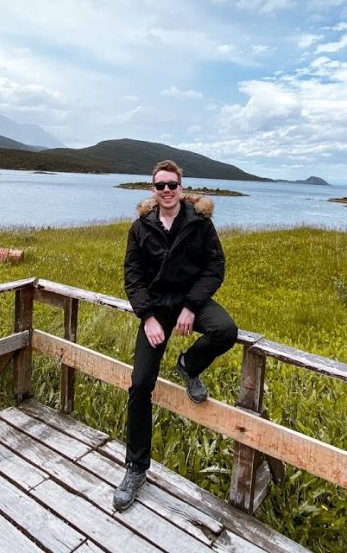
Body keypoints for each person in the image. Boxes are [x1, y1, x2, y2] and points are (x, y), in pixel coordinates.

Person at [113, 159, 238, 511]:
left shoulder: (200, 224)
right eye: (160, 186)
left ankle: (188, 364)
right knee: (140, 384)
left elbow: (215, 267)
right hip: (156, 309)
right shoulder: (140, 228)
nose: (166, 191)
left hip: (189, 303)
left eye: (172, 185)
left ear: (181, 188)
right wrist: (148, 317)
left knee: (225, 331)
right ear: (152, 191)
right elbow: (133, 278)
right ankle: (136, 469)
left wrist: (191, 306)